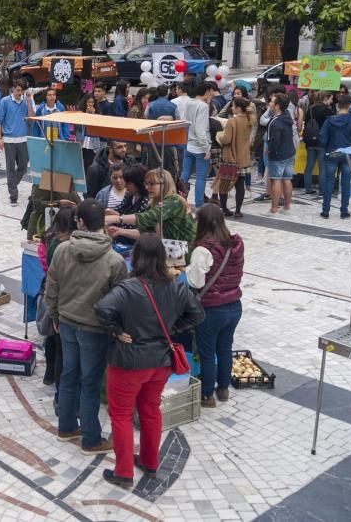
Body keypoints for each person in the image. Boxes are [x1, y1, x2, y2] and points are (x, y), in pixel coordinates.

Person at [94, 233, 204, 488]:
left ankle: (123, 472)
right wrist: (174, 328)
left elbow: (102, 309)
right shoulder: (177, 286)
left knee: (121, 415)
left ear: (137, 257)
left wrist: (116, 330)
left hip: (129, 362)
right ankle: (150, 462)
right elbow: (197, 314)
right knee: (151, 410)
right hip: (161, 361)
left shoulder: (128, 288)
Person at [44, 200, 128, 455]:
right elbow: (119, 302)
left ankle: (66, 426)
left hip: (67, 322)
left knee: (69, 375)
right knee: (90, 382)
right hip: (95, 328)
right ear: (103, 222)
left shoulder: (61, 249)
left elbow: (52, 288)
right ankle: (91, 439)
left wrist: (54, 315)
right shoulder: (115, 260)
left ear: (79, 222)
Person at [185, 205, 243, 408]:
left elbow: (196, 282)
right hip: (234, 305)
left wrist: (187, 268)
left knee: (208, 352)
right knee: (225, 348)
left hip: (212, 308)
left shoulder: (203, 249)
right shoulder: (235, 243)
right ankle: (223, 389)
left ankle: (207, 394)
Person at [35, 206, 76, 391]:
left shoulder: (51, 239)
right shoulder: (63, 245)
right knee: (61, 347)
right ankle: (61, 387)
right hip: (61, 297)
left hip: (51, 293)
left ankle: (49, 374)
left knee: (52, 338)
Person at [104, 169, 196, 244]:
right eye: (146, 184)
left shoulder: (174, 201)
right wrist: (120, 231)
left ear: (165, 184)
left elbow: (147, 218)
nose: (147, 187)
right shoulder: (154, 204)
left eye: (152, 184)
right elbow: (145, 232)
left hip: (184, 253)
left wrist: (117, 218)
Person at [318, 94, 351, 219]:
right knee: (346, 183)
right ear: (350, 106)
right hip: (347, 155)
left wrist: (326, 148)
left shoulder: (329, 121)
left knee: (329, 182)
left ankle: (325, 211)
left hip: (331, 153)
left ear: (337, 105)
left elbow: (322, 138)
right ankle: (344, 211)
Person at [215, 97, 255, 218]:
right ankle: (238, 210)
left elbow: (226, 139)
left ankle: (225, 209)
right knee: (240, 185)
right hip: (243, 158)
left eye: (233, 106)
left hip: (230, 159)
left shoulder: (232, 121)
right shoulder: (249, 120)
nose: (231, 108)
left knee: (224, 185)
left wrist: (219, 135)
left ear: (238, 108)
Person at [0, 80, 34, 205]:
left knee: (23, 167)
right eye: (18, 90)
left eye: (22, 91)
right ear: (13, 89)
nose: (20, 93)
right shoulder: (5, 101)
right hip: (9, 140)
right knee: (10, 168)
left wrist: (29, 102)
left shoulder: (25, 101)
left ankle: (12, 184)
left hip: (23, 139)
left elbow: (31, 118)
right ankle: (13, 194)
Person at [177, 83, 215, 210]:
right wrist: (206, 148)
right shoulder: (203, 106)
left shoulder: (189, 102)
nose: (212, 94)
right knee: (200, 177)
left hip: (189, 143)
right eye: (210, 91)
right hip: (199, 145)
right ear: (206, 91)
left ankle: (179, 199)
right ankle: (199, 204)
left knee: (185, 174)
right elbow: (201, 129)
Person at [266, 94, 297, 216]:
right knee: (287, 179)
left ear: (277, 105)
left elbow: (274, 141)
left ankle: (274, 209)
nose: (269, 104)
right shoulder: (287, 116)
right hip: (289, 152)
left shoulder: (275, 123)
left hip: (278, 155)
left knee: (276, 180)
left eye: (271, 102)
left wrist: (270, 150)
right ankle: (287, 207)